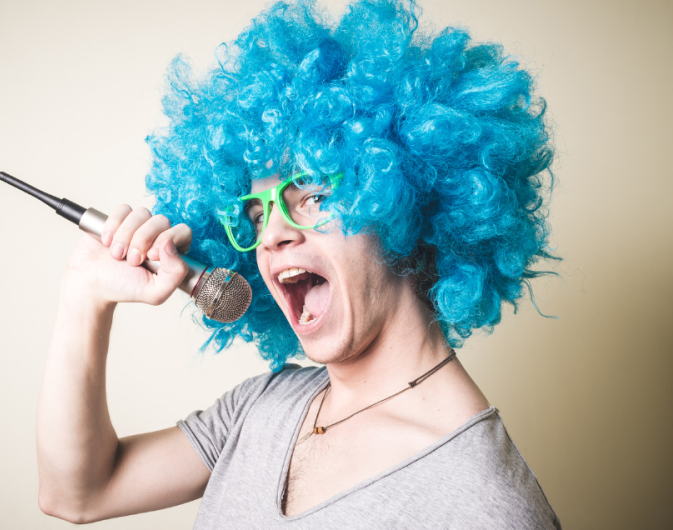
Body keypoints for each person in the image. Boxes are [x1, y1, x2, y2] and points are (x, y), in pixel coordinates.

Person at [36, 0, 561, 527]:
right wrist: (84, 293)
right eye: (255, 212)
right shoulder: (265, 405)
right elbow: (78, 494)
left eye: (310, 195)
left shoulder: (481, 504)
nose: (273, 234)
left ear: (402, 202)